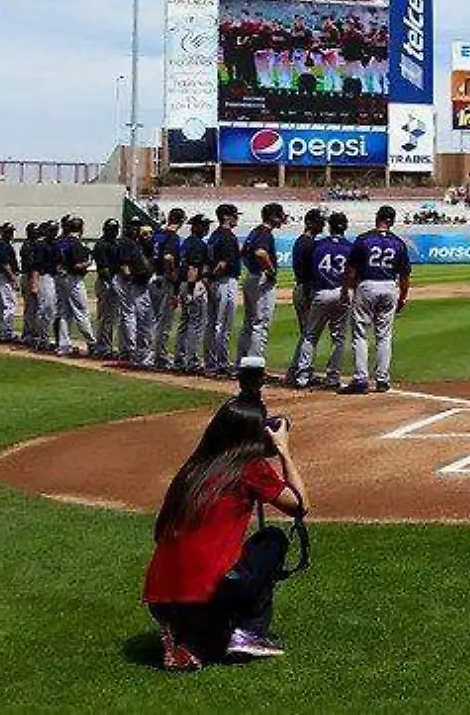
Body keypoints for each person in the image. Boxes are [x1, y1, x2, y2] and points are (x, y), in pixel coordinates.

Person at [143, 397, 308, 671]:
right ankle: (246, 633)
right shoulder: (250, 468)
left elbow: (159, 533)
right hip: (204, 596)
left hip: (159, 601)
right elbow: (301, 505)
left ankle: (185, 634)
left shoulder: (193, 468)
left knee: (214, 557)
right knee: (271, 541)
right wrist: (283, 450)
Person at [342, 206, 412, 395]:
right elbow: (404, 275)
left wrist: (347, 289)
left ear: (377, 218)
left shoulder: (364, 239)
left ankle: (361, 378)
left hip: (367, 285)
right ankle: (382, 379)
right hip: (389, 286)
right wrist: (403, 297)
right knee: (384, 335)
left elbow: (351, 269)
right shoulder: (398, 243)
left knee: (360, 334)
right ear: (392, 221)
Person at [289, 213, 353, 390]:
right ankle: (333, 377)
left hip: (320, 292)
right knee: (338, 338)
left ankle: (302, 375)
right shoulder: (350, 247)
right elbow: (354, 273)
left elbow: (310, 272)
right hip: (342, 293)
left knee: (310, 335)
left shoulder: (318, 245)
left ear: (329, 226)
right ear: (345, 227)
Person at [239, 204, 287, 362]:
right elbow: (260, 253)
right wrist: (271, 271)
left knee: (249, 322)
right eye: (280, 216)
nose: (282, 219)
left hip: (251, 276)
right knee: (260, 323)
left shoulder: (255, 231)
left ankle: (243, 360)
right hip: (261, 279)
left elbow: (244, 253)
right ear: (273, 216)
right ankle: (254, 363)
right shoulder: (265, 233)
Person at [285, 209, 325, 378]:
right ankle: (301, 370)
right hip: (306, 289)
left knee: (307, 333)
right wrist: (311, 294)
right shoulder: (308, 243)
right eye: (319, 222)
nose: (322, 225)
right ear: (309, 223)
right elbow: (309, 272)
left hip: (302, 287)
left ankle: (296, 368)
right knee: (309, 333)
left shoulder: (303, 241)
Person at [205, 205, 244, 377]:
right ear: (227, 217)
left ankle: (211, 362)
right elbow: (222, 264)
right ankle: (220, 363)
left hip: (216, 283)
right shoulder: (228, 237)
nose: (237, 218)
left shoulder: (214, 235)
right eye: (235, 215)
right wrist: (214, 277)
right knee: (223, 325)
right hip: (225, 282)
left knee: (213, 323)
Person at [53, 216, 98, 356]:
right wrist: (89, 262)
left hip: (60, 278)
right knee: (81, 312)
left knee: (64, 313)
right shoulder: (76, 243)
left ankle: (63, 346)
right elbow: (78, 265)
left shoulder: (59, 242)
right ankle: (92, 343)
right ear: (80, 228)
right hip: (73, 279)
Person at [114, 219, 155, 365]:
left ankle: (129, 350)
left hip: (137, 283)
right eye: (133, 226)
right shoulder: (126, 242)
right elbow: (124, 265)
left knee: (134, 317)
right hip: (133, 284)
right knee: (139, 317)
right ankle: (137, 353)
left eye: (137, 226)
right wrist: (130, 279)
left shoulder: (138, 242)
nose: (136, 229)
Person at [176, 216, 214, 372]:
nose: (206, 228)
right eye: (204, 225)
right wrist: (192, 290)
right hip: (193, 284)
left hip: (183, 283)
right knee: (196, 324)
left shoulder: (186, 242)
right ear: (195, 227)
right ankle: (192, 362)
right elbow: (193, 268)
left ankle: (179, 359)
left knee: (185, 322)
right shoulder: (198, 244)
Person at [148, 210, 186, 365]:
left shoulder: (158, 234)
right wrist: (171, 274)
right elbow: (168, 257)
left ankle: (148, 353)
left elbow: (151, 256)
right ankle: (160, 356)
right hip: (165, 280)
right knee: (164, 321)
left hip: (154, 278)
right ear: (181, 220)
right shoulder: (173, 237)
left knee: (153, 319)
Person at [91, 219, 122, 358]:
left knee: (111, 316)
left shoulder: (115, 243)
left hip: (113, 280)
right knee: (106, 317)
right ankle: (103, 347)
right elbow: (103, 269)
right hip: (106, 282)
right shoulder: (101, 245)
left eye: (115, 229)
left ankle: (105, 345)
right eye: (112, 229)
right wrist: (113, 284)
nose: (114, 232)